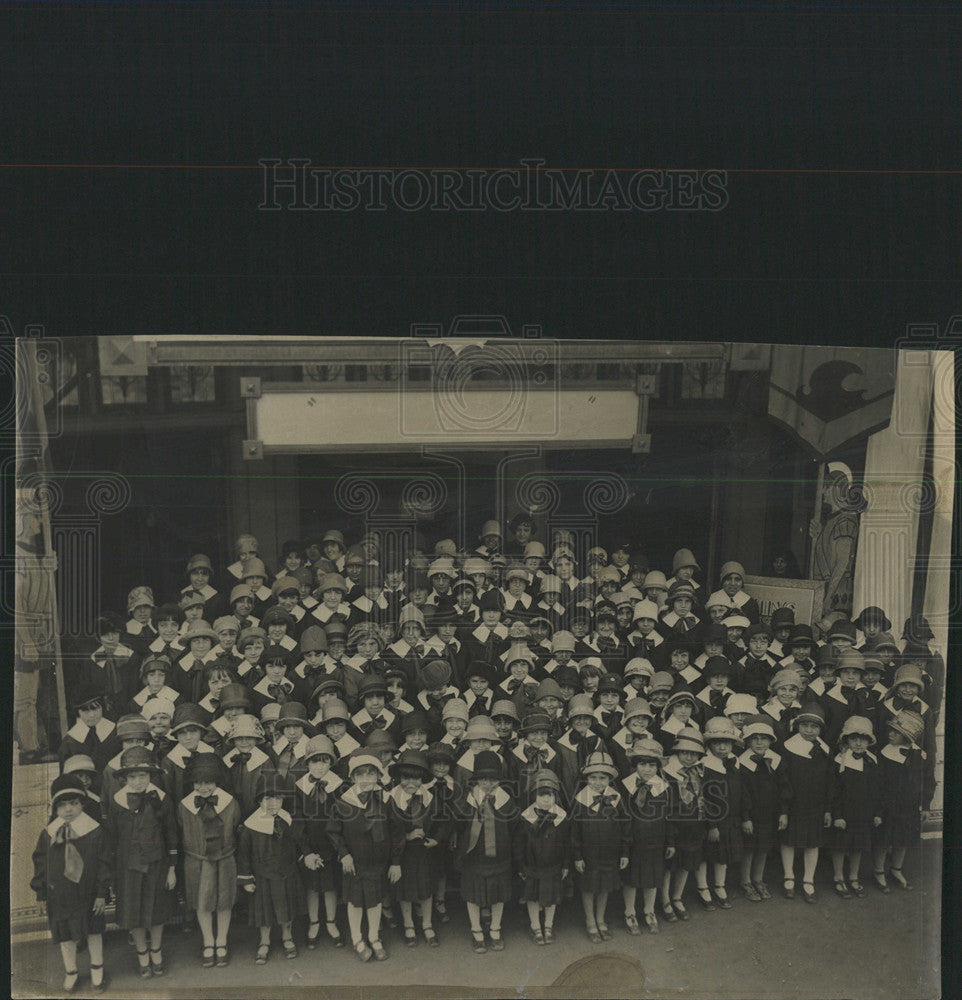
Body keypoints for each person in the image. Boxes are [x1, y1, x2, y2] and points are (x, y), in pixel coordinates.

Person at [103, 746, 178, 979]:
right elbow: (112, 838)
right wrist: (113, 872)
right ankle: (142, 954)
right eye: (132, 776)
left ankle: (156, 951)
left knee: (156, 910)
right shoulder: (117, 802)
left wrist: (172, 869)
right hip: (128, 867)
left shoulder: (161, 798)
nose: (137, 781)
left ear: (151, 776)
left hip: (157, 864)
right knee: (133, 912)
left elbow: (171, 834)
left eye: (142, 776)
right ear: (124, 778)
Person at [31, 774, 111, 992]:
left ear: (82, 804)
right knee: (64, 933)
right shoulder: (48, 834)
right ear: (54, 808)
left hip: (88, 893)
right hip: (60, 895)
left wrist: (102, 893)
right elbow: (41, 864)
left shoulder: (94, 831)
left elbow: (104, 863)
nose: (68, 810)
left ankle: (97, 968)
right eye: (62, 805)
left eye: (74, 804)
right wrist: (40, 893)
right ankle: (71, 971)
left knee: (93, 930)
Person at [328, 751, 404, 963]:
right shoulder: (343, 802)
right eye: (360, 775)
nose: (366, 779)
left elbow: (397, 831)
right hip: (354, 861)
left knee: (374, 901)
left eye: (371, 774)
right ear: (352, 778)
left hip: (378, 862)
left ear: (379, 776)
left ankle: (373, 936)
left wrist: (395, 862)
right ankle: (357, 938)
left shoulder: (386, 800)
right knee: (355, 902)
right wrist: (344, 855)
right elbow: (334, 831)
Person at [176, 753, 241, 969]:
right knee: (201, 902)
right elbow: (181, 830)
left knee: (224, 901)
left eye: (208, 782)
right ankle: (208, 941)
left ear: (217, 781)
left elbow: (236, 829)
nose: (203, 787)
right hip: (198, 861)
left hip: (224, 859)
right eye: (198, 782)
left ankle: (221, 939)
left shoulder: (230, 803)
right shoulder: (184, 806)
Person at [236, 770, 305, 963]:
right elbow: (244, 855)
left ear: (283, 800)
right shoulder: (251, 826)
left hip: (286, 873)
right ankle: (264, 941)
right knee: (265, 912)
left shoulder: (288, 819)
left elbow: (297, 843)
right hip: (263, 875)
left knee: (286, 909)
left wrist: (303, 858)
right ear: (259, 801)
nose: (273, 803)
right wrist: (247, 878)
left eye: (277, 798)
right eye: (267, 798)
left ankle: (287, 936)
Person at [456, 749, 517, 954]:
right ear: (476, 779)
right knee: (473, 894)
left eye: (493, 779)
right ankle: (476, 930)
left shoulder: (506, 801)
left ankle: (495, 929)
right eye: (483, 779)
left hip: (499, 855)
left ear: (499, 780)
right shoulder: (469, 799)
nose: (488, 784)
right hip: (474, 855)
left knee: (498, 894)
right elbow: (460, 825)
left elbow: (514, 828)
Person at [388, 749, 447, 947]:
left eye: (416, 778)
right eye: (406, 778)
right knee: (405, 890)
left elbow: (443, 822)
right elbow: (386, 831)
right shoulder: (391, 800)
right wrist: (407, 835)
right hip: (401, 853)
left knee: (425, 888)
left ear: (422, 778)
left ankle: (428, 924)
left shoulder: (430, 798)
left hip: (423, 852)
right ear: (398, 778)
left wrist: (436, 839)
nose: (411, 783)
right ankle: (408, 924)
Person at [570, 750, 629, 943]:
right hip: (589, 854)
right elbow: (575, 832)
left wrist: (624, 853)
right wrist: (578, 856)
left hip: (610, 852)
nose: (598, 781)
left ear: (609, 778)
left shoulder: (616, 798)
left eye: (603, 777)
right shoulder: (580, 800)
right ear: (587, 778)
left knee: (605, 886)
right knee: (589, 886)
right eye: (593, 777)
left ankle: (601, 918)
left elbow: (624, 827)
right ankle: (590, 920)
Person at [294, 734, 345, 950]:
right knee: (313, 887)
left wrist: (341, 848)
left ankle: (331, 922)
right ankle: (314, 922)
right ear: (307, 763)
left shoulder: (339, 785)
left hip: (332, 846)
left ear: (331, 762)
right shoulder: (300, 787)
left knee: (330, 885)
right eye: (314, 760)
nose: (319, 766)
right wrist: (306, 851)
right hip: (311, 847)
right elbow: (297, 820)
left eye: (324, 760)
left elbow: (344, 818)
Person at [873, 710, 932, 893]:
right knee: (884, 839)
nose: (890, 734)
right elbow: (878, 785)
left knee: (902, 839)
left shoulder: (920, 756)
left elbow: (928, 781)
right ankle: (878, 871)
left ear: (908, 736)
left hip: (909, 806)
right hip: (888, 805)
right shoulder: (883, 754)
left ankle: (896, 869)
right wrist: (878, 810)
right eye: (890, 730)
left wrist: (926, 806)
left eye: (896, 732)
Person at [778, 704, 832, 903]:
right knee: (789, 840)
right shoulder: (788, 748)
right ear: (798, 726)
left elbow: (829, 782)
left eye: (814, 727)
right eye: (805, 726)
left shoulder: (825, 750)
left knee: (812, 842)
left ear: (820, 729)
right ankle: (788, 876)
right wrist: (783, 809)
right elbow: (783, 781)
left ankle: (808, 879)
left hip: (816, 805)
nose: (809, 730)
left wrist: (827, 809)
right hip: (793, 803)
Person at [620, 736, 673, 935]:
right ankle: (629, 911)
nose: (647, 769)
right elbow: (623, 817)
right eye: (642, 764)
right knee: (632, 878)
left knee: (652, 877)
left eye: (652, 765)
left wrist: (670, 842)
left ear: (658, 766)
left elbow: (668, 816)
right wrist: (624, 846)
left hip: (655, 840)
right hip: (634, 841)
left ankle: (649, 910)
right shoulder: (626, 786)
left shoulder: (663, 787)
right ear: (635, 765)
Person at [513, 769, 570, 945]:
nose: (546, 800)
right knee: (533, 896)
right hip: (532, 866)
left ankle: (548, 925)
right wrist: (521, 866)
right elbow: (518, 845)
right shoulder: (526, 817)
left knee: (551, 897)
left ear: (556, 797)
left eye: (550, 796)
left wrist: (566, 864)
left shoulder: (561, 817)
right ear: (533, 796)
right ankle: (535, 925)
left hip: (553, 865)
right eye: (542, 795)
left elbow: (567, 843)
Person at [736, 716, 790, 903]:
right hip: (751, 814)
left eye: (764, 738)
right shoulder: (741, 763)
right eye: (755, 738)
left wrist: (783, 812)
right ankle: (745, 881)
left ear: (771, 740)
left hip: (770, 813)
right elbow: (742, 793)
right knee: (749, 848)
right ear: (748, 740)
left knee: (763, 847)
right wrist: (745, 817)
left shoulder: (776, 761)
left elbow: (784, 788)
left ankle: (758, 879)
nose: (759, 742)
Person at [829, 716, 882, 899]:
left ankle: (853, 876)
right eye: (854, 738)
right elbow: (834, 792)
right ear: (846, 740)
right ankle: (838, 877)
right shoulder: (839, 761)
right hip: (844, 814)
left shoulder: (872, 761)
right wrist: (837, 815)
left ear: (869, 741)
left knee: (857, 846)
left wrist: (877, 813)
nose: (859, 743)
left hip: (864, 813)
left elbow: (877, 789)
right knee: (840, 845)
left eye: (863, 738)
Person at [58, 686, 119, 773]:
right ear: (78, 712)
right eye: (85, 710)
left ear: (103, 707)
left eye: (96, 709)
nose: (91, 715)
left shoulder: (115, 732)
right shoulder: (69, 741)